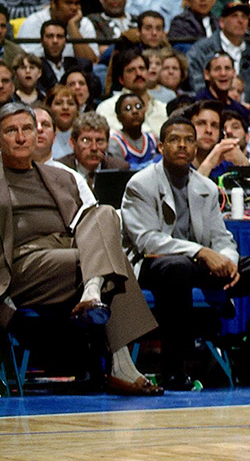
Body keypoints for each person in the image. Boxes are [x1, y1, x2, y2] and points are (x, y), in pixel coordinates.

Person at [121, 114, 250, 388]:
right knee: (176, 267)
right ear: (160, 147)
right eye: (174, 140)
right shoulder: (140, 184)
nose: (182, 146)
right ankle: (175, 369)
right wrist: (201, 253)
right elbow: (147, 240)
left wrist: (228, 261)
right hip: (153, 265)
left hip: (196, 265)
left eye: (188, 141)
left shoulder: (205, 186)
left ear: (196, 147)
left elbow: (222, 238)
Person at [0, 102, 162, 396]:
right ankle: (122, 365)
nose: (22, 137)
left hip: (66, 253)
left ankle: (92, 290)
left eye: (27, 129)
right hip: (19, 265)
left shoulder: (60, 176)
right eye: (11, 131)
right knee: (112, 261)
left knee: (105, 214)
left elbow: (83, 226)